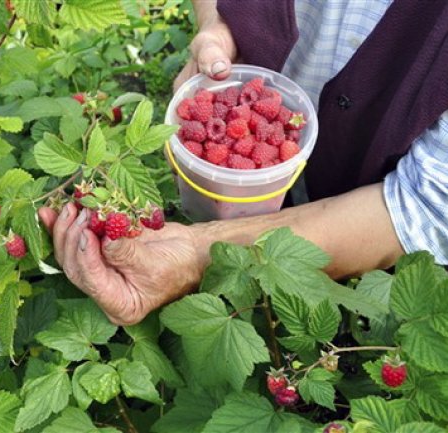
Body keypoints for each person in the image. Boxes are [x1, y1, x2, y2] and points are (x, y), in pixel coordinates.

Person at [38, 0, 448, 326]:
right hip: (257, 124)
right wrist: (217, 24)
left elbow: (422, 203)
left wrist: (196, 255)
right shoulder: (239, 127)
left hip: (363, 231)